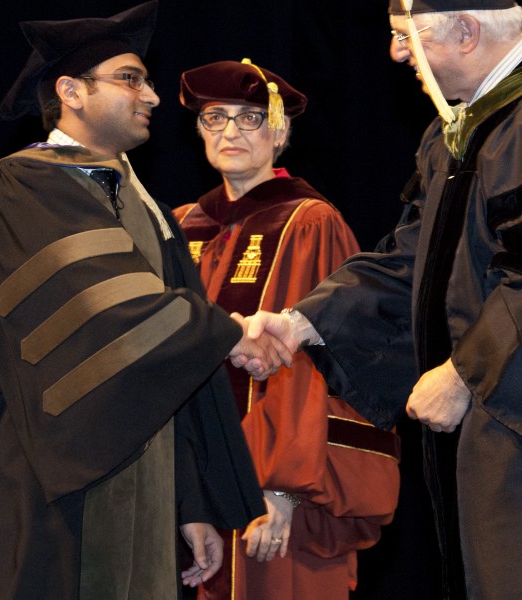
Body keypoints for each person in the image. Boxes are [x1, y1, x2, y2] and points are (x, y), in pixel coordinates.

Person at [244, 1, 522, 597]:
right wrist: (301, 323)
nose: (396, 53)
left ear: (465, 31)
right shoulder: (457, 130)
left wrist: (465, 373)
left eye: (404, 36)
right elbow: (414, 257)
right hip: (491, 431)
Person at [0, 3, 286, 599]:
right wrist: (230, 332)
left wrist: (188, 500)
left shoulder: (146, 206)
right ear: (71, 91)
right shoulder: (25, 183)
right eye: (131, 79)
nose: (154, 97)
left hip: (142, 477)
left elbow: (165, 367)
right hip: (52, 480)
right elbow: (106, 312)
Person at [172, 59, 401, 600]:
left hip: (276, 485)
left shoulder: (309, 222)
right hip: (193, 491)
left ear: (279, 131)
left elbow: (324, 364)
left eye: (249, 118)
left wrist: (284, 488)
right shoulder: (181, 226)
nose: (230, 131)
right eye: (215, 118)